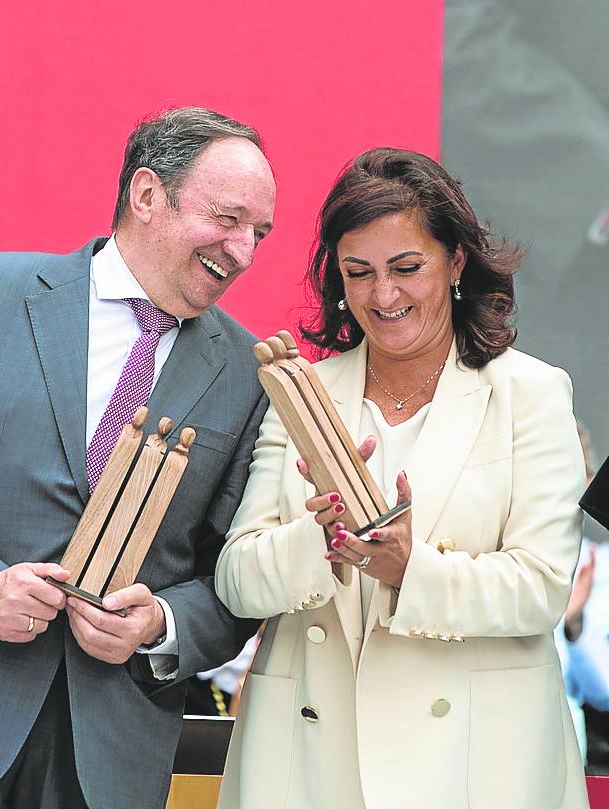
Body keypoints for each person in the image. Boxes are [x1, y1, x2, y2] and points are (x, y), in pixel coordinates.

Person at [0, 106, 275, 809]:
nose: (244, 250)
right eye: (228, 218)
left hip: (106, 764)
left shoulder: (249, 374)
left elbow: (234, 573)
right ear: (147, 194)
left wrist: (159, 621)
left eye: (260, 232)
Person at [215, 148, 588, 808]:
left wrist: (409, 568)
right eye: (358, 273)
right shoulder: (300, 392)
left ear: (456, 261)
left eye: (405, 268)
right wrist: (318, 539)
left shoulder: (529, 393)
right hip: (308, 763)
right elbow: (238, 579)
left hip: (476, 769)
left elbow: (540, 589)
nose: (382, 295)